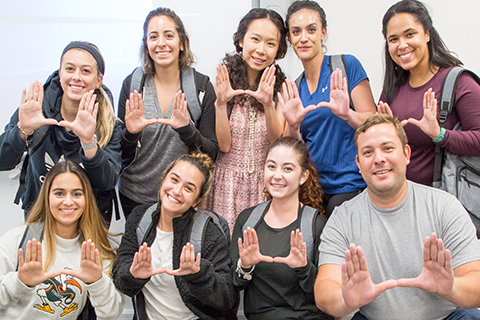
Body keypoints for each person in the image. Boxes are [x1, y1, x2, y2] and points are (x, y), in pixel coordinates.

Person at [315, 114, 480, 320]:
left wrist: (451, 288)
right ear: (358, 163)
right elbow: (324, 291)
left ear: (406, 154)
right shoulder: (342, 218)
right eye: (368, 152)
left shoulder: (444, 207)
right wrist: (345, 301)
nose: (379, 159)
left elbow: (476, 284)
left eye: (388, 148)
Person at [0, 41, 122, 221]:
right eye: (70, 69)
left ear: (99, 80)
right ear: (60, 73)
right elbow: (3, 160)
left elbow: (107, 181)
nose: (77, 77)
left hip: (90, 223)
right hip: (40, 218)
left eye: (86, 71)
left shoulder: (109, 123)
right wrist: (22, 131)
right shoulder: (35, 109)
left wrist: (89, 142)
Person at [118, 7, 218, 218]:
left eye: (169, 35)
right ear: (146, 44)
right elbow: (120, 153)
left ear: (182, 43)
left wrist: (186, 130)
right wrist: (131, 133)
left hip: (182, 199)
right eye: (153, 37)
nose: (161, 43)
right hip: (134, 197)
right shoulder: (134, 84)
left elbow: (212, 154)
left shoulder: (200, 87)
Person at [280, 0, 376, 217]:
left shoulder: (346, 65)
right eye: (296, 31)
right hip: (314, 191)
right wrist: (293, 126)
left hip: (351, 186)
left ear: (323, 33)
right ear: (289, 38)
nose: (304, 38)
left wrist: (347, 114)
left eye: (311, 30)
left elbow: (375, 122)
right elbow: (293, 146)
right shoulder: (295, 88)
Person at [112, 152, 236, 319]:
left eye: (188, 188)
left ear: (197, 200)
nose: (177, 191)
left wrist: (198, 276)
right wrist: (133, 274)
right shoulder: (139, 218)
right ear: (163, 178)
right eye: (174, 180)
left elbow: (226, 298)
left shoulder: (209, 232)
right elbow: (121, 279)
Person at [0, 160, 124, 319]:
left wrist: (97, 282)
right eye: (59, 193)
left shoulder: (94, 251)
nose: (68, 201)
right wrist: (19, 282)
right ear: (47, 196)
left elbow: (111, 313)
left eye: (77, 194)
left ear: (86, 199)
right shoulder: (18, 240)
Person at [378, 0, 480, 186]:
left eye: (410, 34)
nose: (402, 45)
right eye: (393, 39)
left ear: (426, 34)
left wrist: (440, 135)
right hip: (401, 200)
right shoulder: (393, 88)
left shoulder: (459, 82)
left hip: (445, 204)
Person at [230, 136, 333, 320]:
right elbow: (234, 284)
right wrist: (245, 266)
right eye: (271, 166)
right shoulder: (248, 220)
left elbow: (326, 296)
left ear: (303, 176)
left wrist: (303, 268)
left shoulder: (316, 226)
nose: (277, 175)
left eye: (287, 168)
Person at [207, 8, 288, 234]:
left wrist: (268, 104)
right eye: (255, 39)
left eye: (270, 44)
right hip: (226, 184)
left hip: (263, 185)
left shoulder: (280, 86)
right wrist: (221, 103)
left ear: (278, 50)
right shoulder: (224, 80)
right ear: (241, 40)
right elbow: (223, 145)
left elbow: (276, 142)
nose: (261, 50)